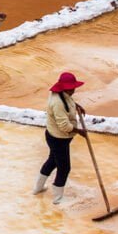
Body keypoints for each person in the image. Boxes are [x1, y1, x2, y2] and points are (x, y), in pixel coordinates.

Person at [32, 72, 87, 204]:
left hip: (55, 136)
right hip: (58, 138)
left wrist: (76, 105)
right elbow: (64, 126)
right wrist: (79, 131)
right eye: (72, 88)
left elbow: (68, 101)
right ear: (65, 88)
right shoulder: (57, 103)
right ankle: (57, 198)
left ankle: (38, 188)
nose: (74, 90)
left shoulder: (62, 94)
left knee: (53, 161)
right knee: (64, 167)